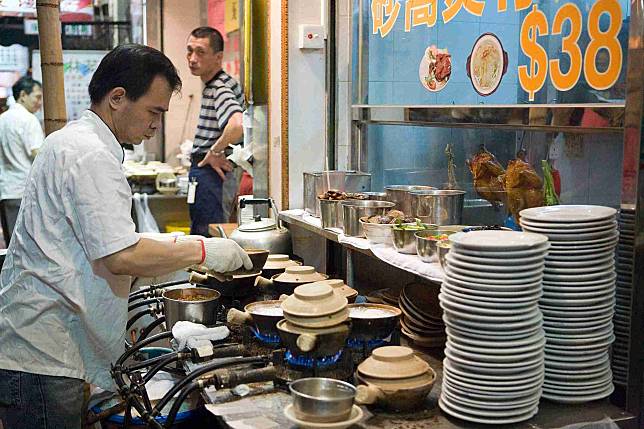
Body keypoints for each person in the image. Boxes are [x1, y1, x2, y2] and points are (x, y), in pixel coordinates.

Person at [0, 44, 252, 429]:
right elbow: (120, 255)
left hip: (44, 343)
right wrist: (201, 249)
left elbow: (108, 240)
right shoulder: (89, 154)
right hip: (44, 354)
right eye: (154, 111)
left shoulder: (77, 142)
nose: (156, 124)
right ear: (117, 97)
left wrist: (170, 248)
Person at [186, 26, 245, 234]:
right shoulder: (215, 83)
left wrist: (215, 150)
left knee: (208, 238)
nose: (192, 58)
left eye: (200, 52)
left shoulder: (219, 86)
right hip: (207, 173)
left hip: (212, 174)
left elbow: (237, 124)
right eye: (189, 50)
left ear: (218, 57)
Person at [0, 76, 44, 245]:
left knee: (11, 245)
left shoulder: (2, 118)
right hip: (23, 191)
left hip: (5, 190)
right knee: (26, 247)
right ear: (23, 95)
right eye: (37, 97)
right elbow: (38, 154)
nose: (40, 102)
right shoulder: (28, 119)